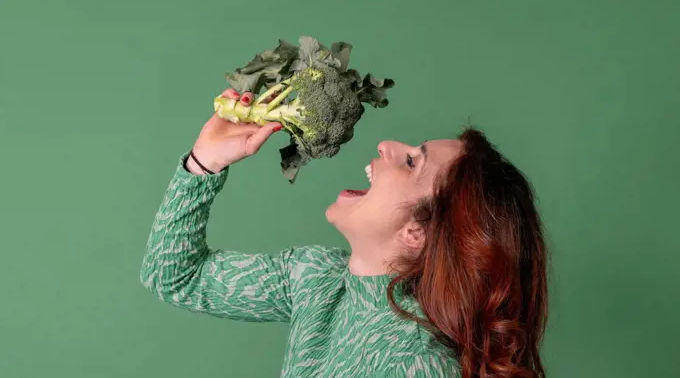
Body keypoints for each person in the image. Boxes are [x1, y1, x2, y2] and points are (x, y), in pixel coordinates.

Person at [140, 88, 549, 378]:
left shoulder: (416, 364)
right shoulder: (315, 279)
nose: (386, 144)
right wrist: (204, 162)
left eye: (411, 163)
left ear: (416, 233)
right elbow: (176, 278)